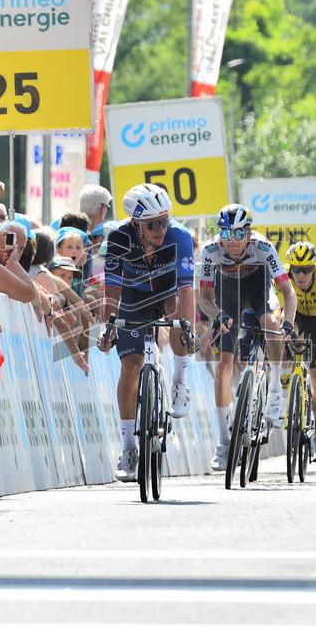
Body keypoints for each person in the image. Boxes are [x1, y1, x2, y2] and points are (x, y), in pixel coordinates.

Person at [98, 184, 197, 482]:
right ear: (135, 223)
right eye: (152, 224)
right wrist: (110, 325)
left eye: (165, 220)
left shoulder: (180, 237)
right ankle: (128, 448)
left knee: (180, 317)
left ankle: (179, 380)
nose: (160, 228)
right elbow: (112, 289)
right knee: (130, 367)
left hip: (168, 293)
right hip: (132, 299)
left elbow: (186, 288)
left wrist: (188, 329)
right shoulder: (118, 238)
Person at [198, 203, 295, 471]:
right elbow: (204, 300)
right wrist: (217, 315)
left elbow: (288, 291)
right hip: (227, 296)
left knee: (272, 325)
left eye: (238, 235)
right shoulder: (210, 250)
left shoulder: (262, 247)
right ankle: (224, 440)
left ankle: (275, 390)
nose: (231, 242)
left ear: (249, 233)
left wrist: (288, 323)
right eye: (225, 235)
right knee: (223, 367)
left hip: (258, 290)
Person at [275, 241, 316, 463]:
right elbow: (283, 312)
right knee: (283, 336)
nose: (300, 274)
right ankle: (283, 391)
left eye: (306, 269)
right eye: (296, 269)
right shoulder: (282, 277)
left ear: (314, 269)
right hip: (296, 318)